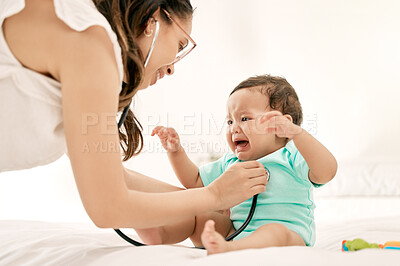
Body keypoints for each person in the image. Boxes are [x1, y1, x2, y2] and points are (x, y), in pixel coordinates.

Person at [0, 0, 268, 235]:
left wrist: (210, 203)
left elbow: (117, 179)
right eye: (180, 44)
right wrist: (214, 195)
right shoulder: (91, 45)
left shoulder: (87, 37)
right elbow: (108, 206)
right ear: (153, 20)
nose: (173, 67)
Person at [151, 74, 338, 254]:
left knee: (274, 231)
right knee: (197, 216)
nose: (233, 128)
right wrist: (175, 152)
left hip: (288, 238)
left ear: (282, 126)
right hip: (235, 232)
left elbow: (327, 172)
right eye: (230, 121)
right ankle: (160, 233)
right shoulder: (232, 163)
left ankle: (229, 250)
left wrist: (297, 133)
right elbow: (196, 181)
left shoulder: (291, 156)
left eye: (245, 118)